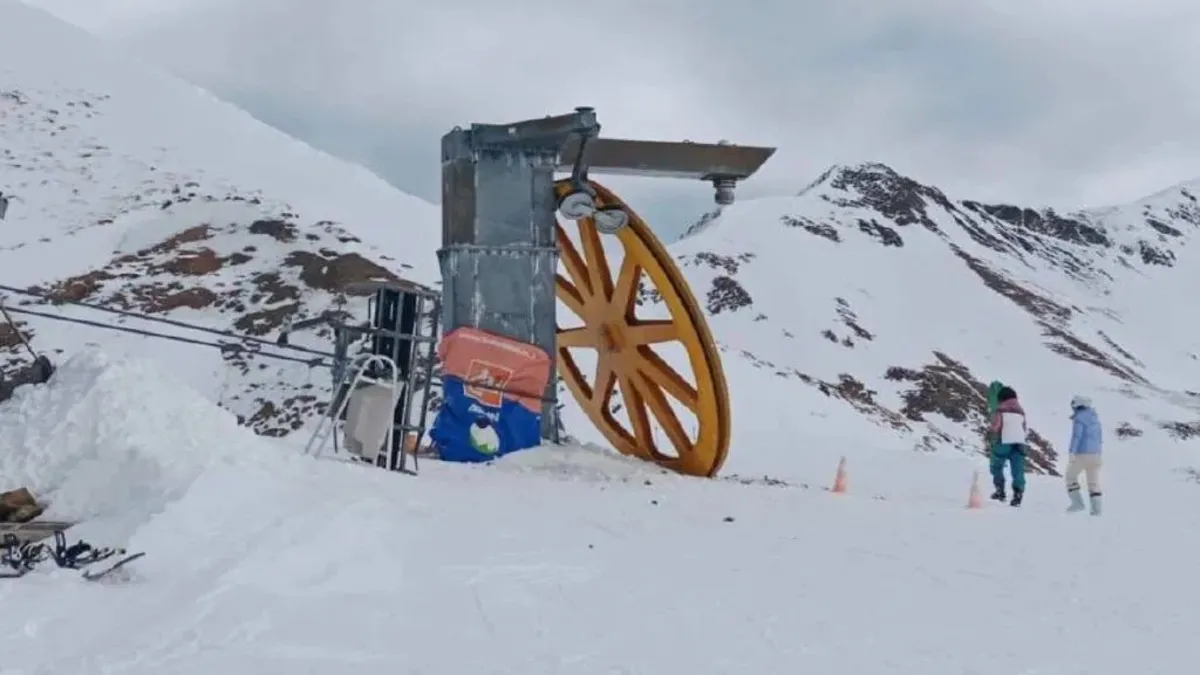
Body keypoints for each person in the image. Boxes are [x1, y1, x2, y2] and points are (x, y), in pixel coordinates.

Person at [988, 386, 1028, 506]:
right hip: (1020, 443)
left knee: (996, 466)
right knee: (1018, 470)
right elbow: (1024, 428)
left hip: (1004, 441)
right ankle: (1018, 494)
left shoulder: (1000, 410)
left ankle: (1000, 491)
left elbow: (996, 427)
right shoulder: (1021, 411)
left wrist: (990, 438)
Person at [1065, 395, 1103, 515]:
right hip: (1096, 455)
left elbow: (1077, 436)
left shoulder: (1079, 418)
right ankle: (1096, 511)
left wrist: (1072, 452)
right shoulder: (1095, 419)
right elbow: (1100, 438)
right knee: (1094, 483)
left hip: (1082, 454)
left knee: (1070, 477)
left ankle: (1078, 504)